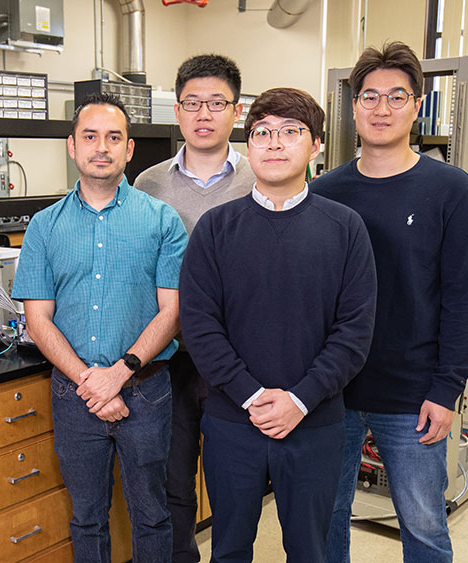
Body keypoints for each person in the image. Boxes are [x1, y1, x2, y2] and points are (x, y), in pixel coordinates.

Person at [179, 87, 378, 563]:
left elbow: (354, 333)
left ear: (315, 147)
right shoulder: (215, 228)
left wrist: (299, 400)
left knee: (311, 551)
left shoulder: (346, 228)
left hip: (315, 423)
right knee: (228, 549)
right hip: (232, 422)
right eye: (263, 132)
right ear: (249, 146)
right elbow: (201, 326)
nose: (274, 143)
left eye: (291, 132)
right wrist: (251, 396)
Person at [310, 41, 468, 563]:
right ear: (353, 105)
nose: (381, 108)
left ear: (417, 105)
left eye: (396, 96)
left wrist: (447, 387)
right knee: (326, 518)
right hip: (332, 389)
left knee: (425, 528)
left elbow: (460, 295)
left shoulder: (449, 189)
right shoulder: (326, 190)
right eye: (369, 96)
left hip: (413, 393)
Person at [11, 92, 188, 563]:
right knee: (87, 517)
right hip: (74, 394)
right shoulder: (45, 227)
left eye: (114, 137)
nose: (101, 147)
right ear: (72, 146)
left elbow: (172, 312)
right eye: (90, 137)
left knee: (152, 513)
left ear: (129, 149)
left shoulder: (161, 220)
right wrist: (90, 382)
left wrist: (118, 374)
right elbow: (37, 318)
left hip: (146, 391)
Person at [134, 53, 254, 563]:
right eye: (192, 103)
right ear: (177, 111)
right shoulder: (147, 183)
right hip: (171, 354)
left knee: (235, 481)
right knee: (173, 477)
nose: (204, 113)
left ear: (237, 110)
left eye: (216, 103)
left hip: (238, 355)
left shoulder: (261, 175)